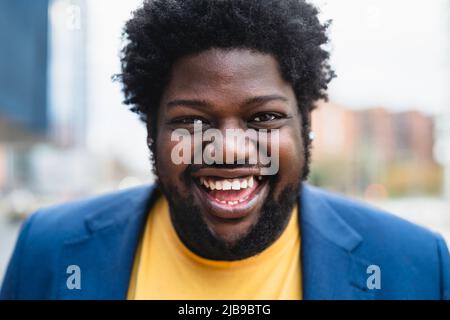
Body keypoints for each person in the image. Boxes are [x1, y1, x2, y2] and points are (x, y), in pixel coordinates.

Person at [1, 0, 449, 300]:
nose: (229, 148)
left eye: (263, 119)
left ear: (304, 126)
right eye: (192, 121)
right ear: (153, 134)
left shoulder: (414, 265)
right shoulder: (50, 248)